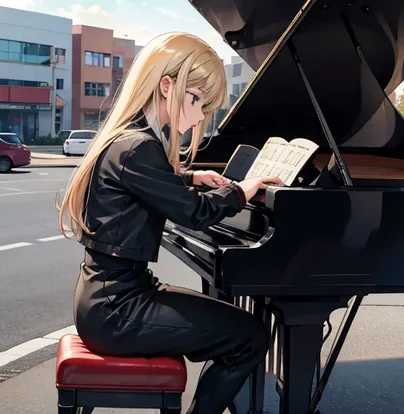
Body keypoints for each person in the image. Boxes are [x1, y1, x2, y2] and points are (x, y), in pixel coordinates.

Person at [57, 32, 283, 414]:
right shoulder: (140, 147)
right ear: (167, 86)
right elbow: (194, 214)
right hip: (118, 310)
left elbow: (148, 185)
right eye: (198, 101)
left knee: (233, 325)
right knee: (250, 335)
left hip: (109, 297)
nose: (199, 116)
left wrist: (191, 178)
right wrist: (241, 191)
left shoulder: (129, 139)